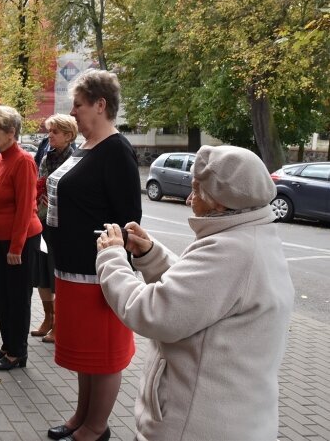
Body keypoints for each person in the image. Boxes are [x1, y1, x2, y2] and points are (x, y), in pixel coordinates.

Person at [96, 145, 294, 441]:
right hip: (232, 421)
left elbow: (152, 313)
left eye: (197, 191)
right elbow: (200, 296)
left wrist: (111, 257)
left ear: (222, 204)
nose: (190, 199)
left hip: (195, 427)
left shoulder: (230, 252)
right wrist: (151, 254)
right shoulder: (252, 239)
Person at [45, 70, 141, 441]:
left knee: (102, 356)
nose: (74, 113)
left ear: (101, 105)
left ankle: (96, 428)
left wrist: (112, 263)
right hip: (71, 268)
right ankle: (80, 417)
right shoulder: (85, 147)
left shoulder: (116, 150)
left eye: (79, 106)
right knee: (86, 355)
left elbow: (129, 218)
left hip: (97, 274)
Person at [0, 106, 42, 371]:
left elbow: (24, 208)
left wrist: (16, 246)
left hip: (21, 241)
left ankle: (18, 352)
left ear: (11, 132)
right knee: (2, 295)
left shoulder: (24, 161)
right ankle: (8, 345)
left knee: (17, 297)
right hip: (0, 241)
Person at [32, 114, 78, 344]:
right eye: (49, 131)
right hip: (42, 218)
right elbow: (39, 181)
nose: (50, 135)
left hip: (62, 223)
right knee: (42, 272)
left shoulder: (75, 157)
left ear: (68, 135)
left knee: (56, 273)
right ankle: (48, 318)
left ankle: (60, 323)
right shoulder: (46, 155)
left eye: (55, 132)